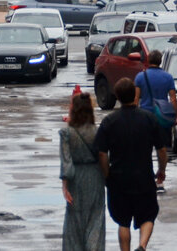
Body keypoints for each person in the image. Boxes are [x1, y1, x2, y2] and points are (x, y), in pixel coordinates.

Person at [95, 77, 169, 251]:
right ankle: (142, 246)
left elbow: (101, 153)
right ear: (134, 95)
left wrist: (107, 174)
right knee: (148, 216)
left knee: (123, 221)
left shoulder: (109, 122)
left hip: (119, 179)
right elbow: (161, 149)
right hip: (144, 177)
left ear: (118, 97)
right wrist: (161, 169)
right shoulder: (149, 119)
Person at [60, 92, 105, 251]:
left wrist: (65, 186)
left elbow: (66, 161)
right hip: (95, 176)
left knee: (74, 223)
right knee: (96, 220)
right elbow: (103, 156)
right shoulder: (98, 131)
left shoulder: (67, 133)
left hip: (76, 179)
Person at [133, 50, 177, 131]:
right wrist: (175, 116)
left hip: (145, 116)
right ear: (160, 61)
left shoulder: (140, 77)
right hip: (163, 116)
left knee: (146, 141)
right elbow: (173, 99)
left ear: (148, 60)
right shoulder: (168, 77)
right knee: (163, 141)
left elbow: (136, 99)